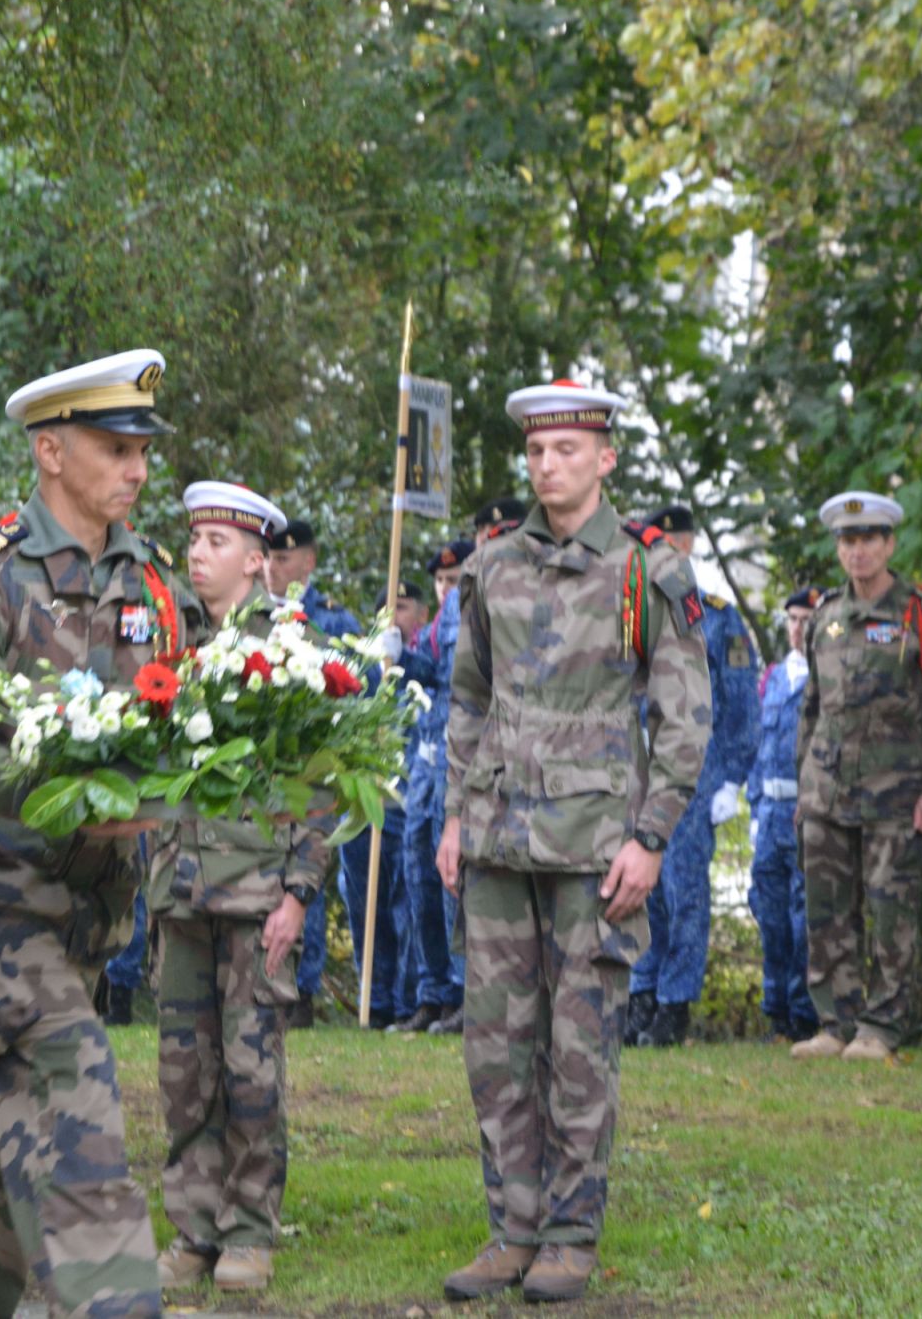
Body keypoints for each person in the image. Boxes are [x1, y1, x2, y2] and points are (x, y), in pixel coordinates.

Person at [0, 350, 206, 1319]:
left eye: (142, 451)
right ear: (49, 451)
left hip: (85, 915)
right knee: (73, 1103)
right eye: (114, 448)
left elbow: (189, 716)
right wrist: (62, 795)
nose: (137, 469)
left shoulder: (151, 584)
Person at [437, 379, 711, 1304]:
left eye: (566, 450)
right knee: (496, 1045)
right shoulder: (492, 567)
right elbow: (467, 697)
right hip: (498, 837)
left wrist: (651, 836)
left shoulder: (646, 571)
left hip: (595, 847)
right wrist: (455, 814)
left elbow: (684, 716)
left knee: (580, 1045)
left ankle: (568, 1232)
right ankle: (511, 1228)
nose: (548, 465)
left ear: (605, 457)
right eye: (536, 450)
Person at [152, 482, 329, 1295]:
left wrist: (299, 891)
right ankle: (195, 1227)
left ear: (257, 560)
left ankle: (250, 1229)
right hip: (182, 887)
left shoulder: (291, 648)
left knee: (252, 1070)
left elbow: (322, 782)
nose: (198, 554)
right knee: (185, 1072)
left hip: (257, 890)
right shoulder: (173, 643)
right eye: (194, 539)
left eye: (217, 542)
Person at [790, 493, 922, 1061]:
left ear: (890, 544)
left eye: (869, 539)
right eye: (848, 541)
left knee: (892, 913)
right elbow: (812, 710)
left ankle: (882, 1028)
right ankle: (835, 1023)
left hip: (896, 794)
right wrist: (803, 786)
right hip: (827, 790)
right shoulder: (825, 617)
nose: (858, 551)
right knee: (826, 912)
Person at [625, 503, 758, 1048]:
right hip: (639, 769)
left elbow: (741, 704)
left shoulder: (716, 616)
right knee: (639, 889)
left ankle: (675, 1002)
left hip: (694, 773)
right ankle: (642, 993)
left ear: (684, 546)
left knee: (683, 890)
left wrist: (731, 778)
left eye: (662, 546)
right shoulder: (633, 611)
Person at [270, 516, 378, 1025]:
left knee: (306, 872)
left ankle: (303, 990)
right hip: (268, 768)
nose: (273, 568)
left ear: (308, 562)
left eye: (284, 558)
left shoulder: (333, 621)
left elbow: (367, 684)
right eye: (269, 558)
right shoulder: (255, 613)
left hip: (317, 766)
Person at [391, 568, 464, 1035]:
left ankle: (462, 991)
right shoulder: (444, 616)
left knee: (454, 879)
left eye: (453, 577)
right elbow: (432, 672)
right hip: (427, 760)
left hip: (461, 758)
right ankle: (432, 992)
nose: (446, 585)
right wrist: (400, 657)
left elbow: (463, 680)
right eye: (441, 578)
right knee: (419, 877)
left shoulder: (486, 601)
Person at [745, 587, 820, 1043]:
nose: (797, 629)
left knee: (805, 916)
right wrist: (754, 809)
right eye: (792, 619)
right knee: (769, 912)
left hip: (806, 811)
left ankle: (805, 1012)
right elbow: (757, 744)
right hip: (771, 813)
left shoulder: (824, 676)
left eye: (806, 621)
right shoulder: (774, 677)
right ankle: (775, 1010)